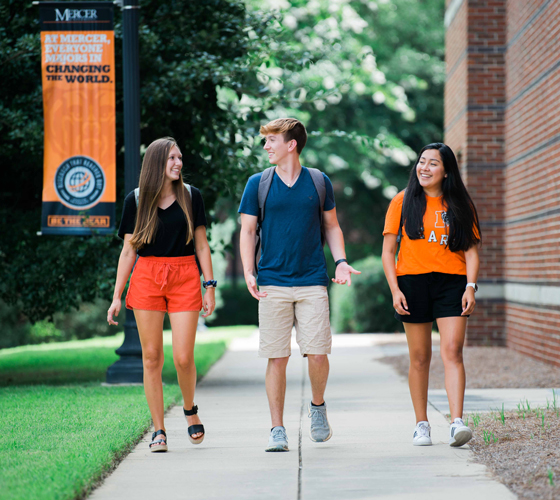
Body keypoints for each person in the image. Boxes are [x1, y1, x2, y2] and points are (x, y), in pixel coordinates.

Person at [238, 118, 360, 452]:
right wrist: (249, 271)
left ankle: (317, 407)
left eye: (271, 140)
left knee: (318, 353)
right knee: (276, 357)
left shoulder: (318, 182)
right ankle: (277, 428)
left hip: (311, 281)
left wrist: (341, 261)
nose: (266, 146)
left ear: (291, 144)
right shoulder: (257, 184)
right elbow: (248, 231)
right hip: (272, 282)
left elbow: (332, 226)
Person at [107, 137, 216, 452]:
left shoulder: (191, 196)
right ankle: (159, 430)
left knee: (183, 357)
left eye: (180, 157)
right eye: (171, 158)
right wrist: (117, 296)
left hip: (184, 276)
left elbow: (201, 245)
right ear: (156, 162)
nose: (178, 163)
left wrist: (209, 285)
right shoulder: (136, 200)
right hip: (147, 277)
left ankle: (190, 407)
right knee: (151, 357)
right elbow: (128, 251)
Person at [381, 142, 481, 447]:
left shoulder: (460, 204)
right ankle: (421, 424)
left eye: (432, 163)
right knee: (420, 357)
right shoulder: (402, 201)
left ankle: (456, 423)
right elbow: (388, 251)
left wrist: (470, 286)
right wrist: (395, 289)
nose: (424, 168)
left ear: (446, 171)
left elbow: (472, 252)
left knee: (452, 351)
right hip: (412, 283)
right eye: (421, 162)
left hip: (452, 282)